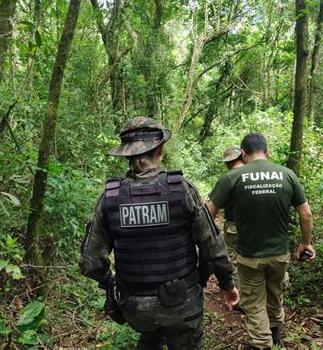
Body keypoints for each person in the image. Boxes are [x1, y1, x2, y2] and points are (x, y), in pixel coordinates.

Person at [79, 116, 239, 350]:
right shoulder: (181, 189)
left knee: (150, 335)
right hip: (182, 302)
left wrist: (111, 285)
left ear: (127, 154)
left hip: (135, 307)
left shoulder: (110, 197)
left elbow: (89, 262)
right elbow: (213, 247)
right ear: (160, 149)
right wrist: (228, 284)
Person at [207, 133, 315, 349]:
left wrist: (209, 243)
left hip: (249, 256)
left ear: (243, 153)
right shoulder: (287, 174)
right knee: (275, 294)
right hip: (279, 254)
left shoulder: (231, 178)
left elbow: (208, 213)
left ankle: (261, 344)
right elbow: (306, 214)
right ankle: (274, 335)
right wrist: (305, 243)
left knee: (254, 304)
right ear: (267, 151)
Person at [208, 147, 244, 295]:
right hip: (258, 226)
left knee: (234, 260)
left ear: (228, 162)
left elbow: (210, 209)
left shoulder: (228, 178)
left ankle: (238, 294)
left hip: (234, 226)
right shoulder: (257, 175)